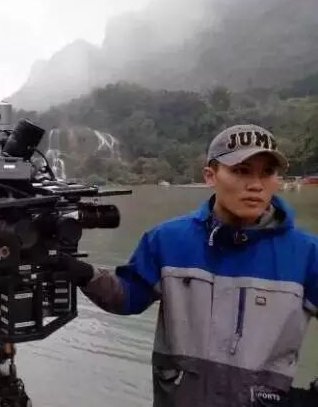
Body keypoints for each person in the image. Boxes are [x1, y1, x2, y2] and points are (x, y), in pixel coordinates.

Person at [62, 124, 318, 407]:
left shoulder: (307, 253)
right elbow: (128, 297)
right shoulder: (167, 239)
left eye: (267, 172)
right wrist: (83, 274)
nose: (256, 185)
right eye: (241, 171)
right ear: (210, 175)